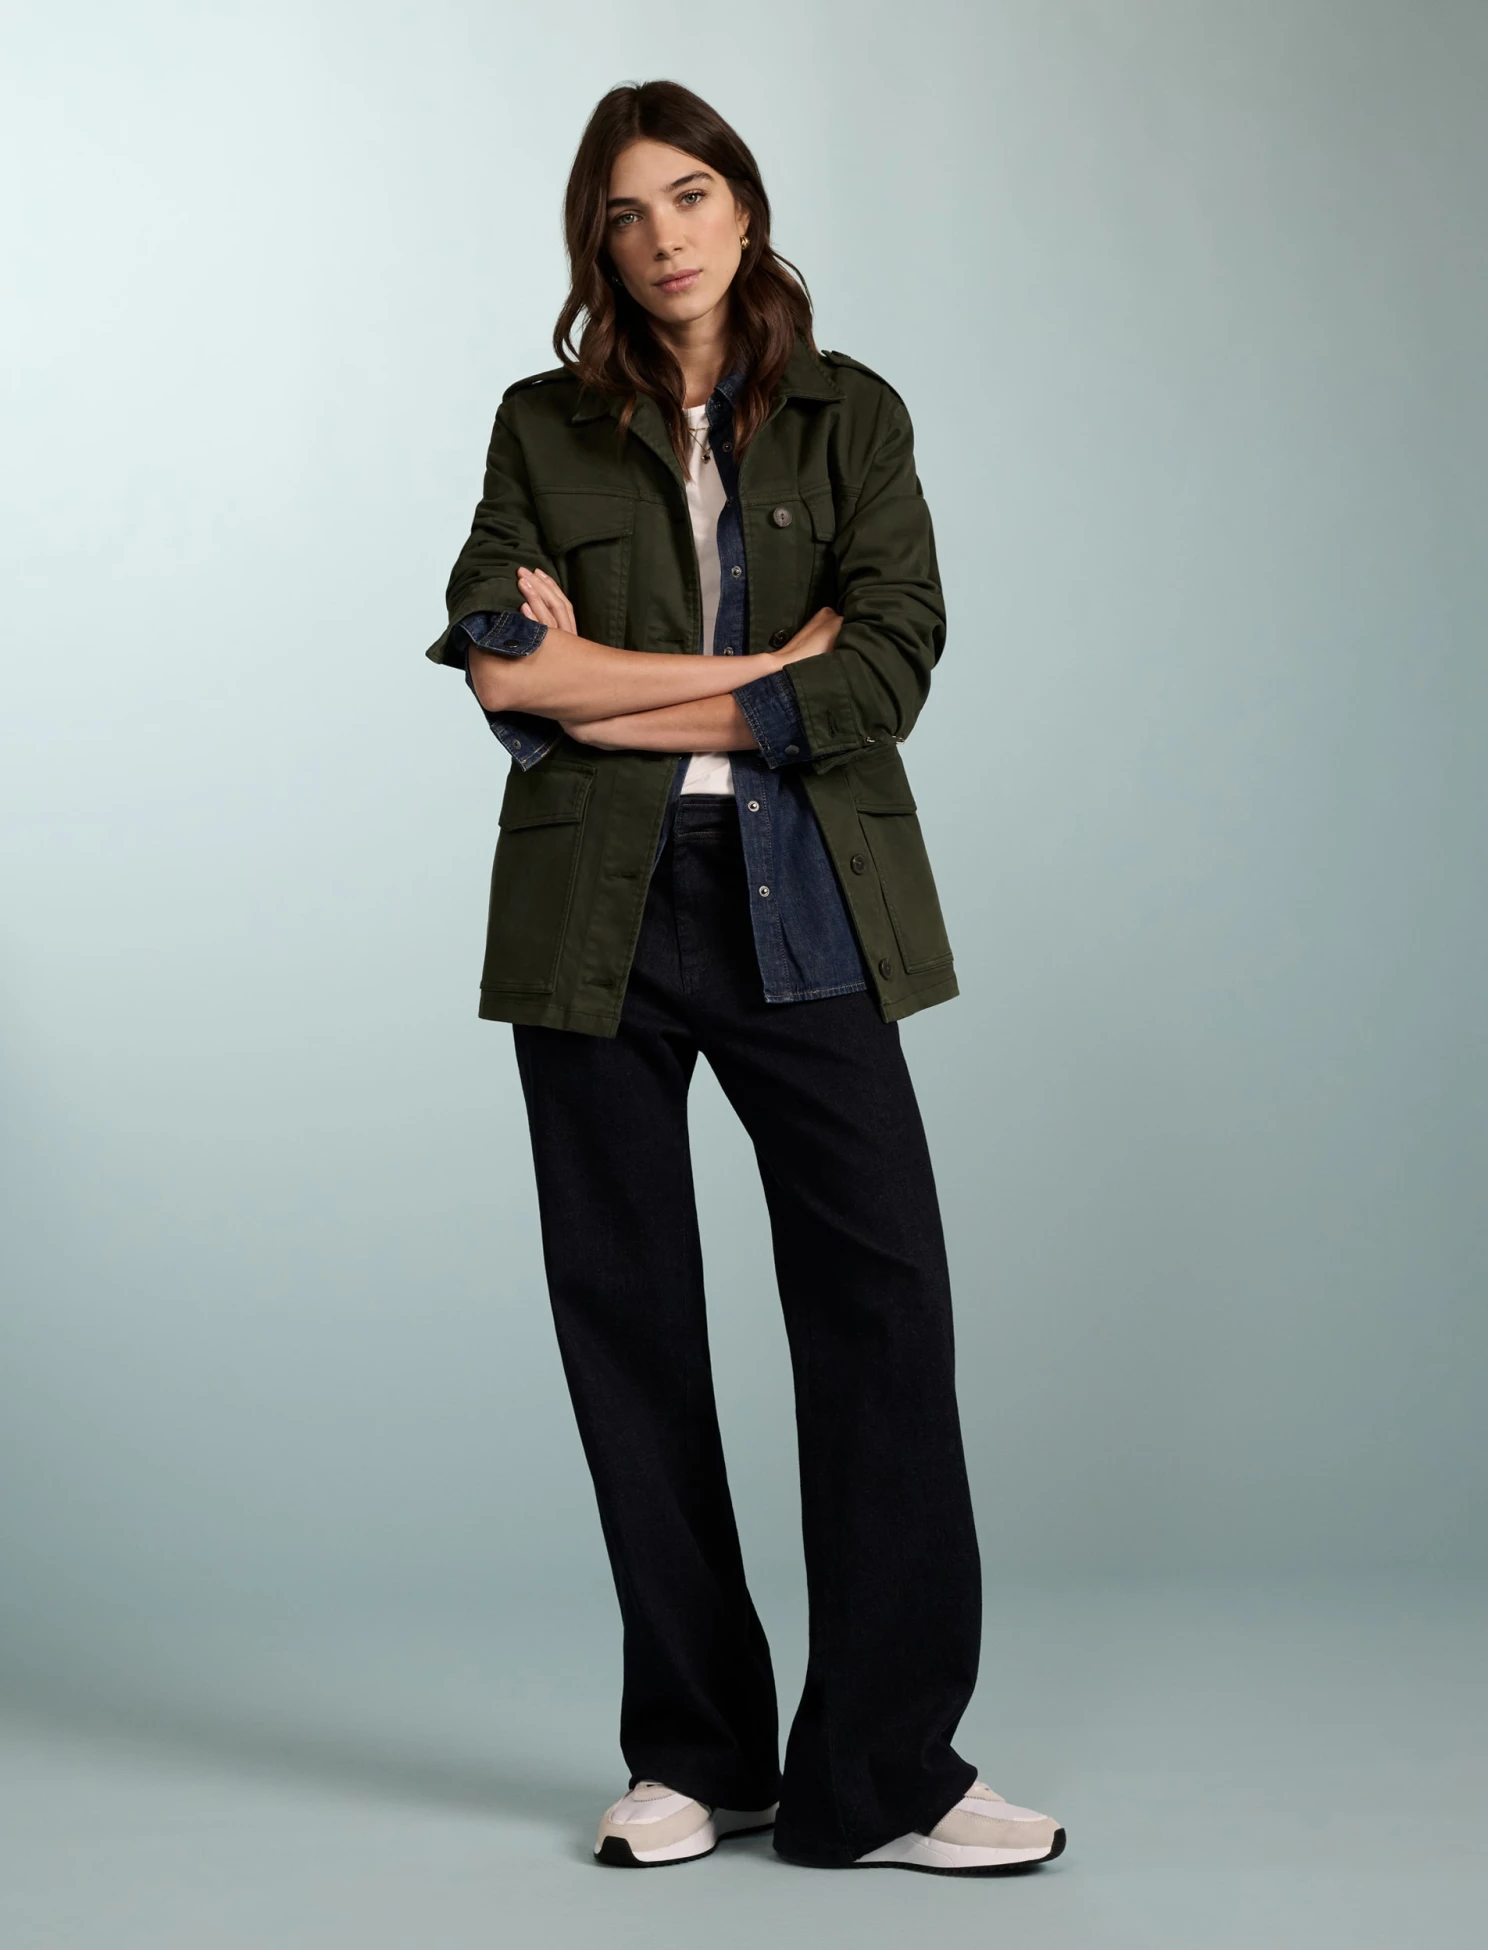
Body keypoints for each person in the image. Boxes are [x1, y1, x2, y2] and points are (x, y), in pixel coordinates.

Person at [424, 78, 1066, 1878]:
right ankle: (697, 1750)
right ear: (598, 244)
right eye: (626, 213)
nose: (665, 236)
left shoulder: (854, 415)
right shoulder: (541, 424)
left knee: (882, 1303)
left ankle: (886, 1768)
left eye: (691, 194)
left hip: (808, 899)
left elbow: (887, 664)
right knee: (629, 1319)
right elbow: (501, 667)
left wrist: (609, 686)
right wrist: (745, 674)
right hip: (597, 910)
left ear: (746, 204)